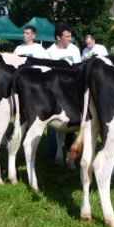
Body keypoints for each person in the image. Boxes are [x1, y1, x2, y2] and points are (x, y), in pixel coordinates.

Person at [46, 24, 82, 159]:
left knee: (71, 121)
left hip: (72, 92)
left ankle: (69, 152)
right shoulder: (49, 52)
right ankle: (53, 151)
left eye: (70, 36)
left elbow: (78, 69)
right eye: (67, 36)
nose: (70, 39)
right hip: (55, 92)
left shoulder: (74, 50)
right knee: (52, 120)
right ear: (58, 37)